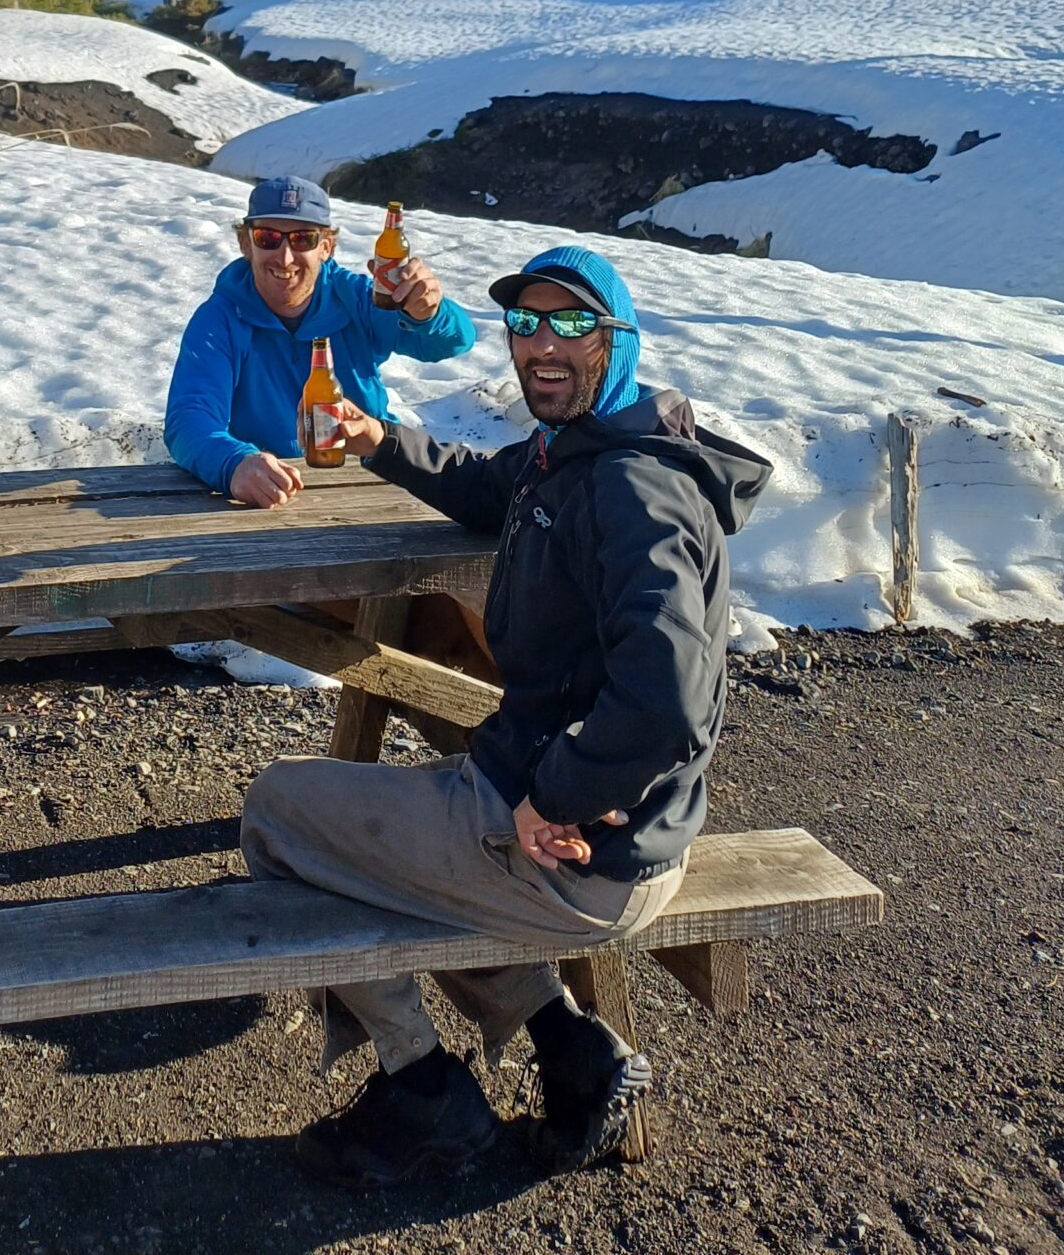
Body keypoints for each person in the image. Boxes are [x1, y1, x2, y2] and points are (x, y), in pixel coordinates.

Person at [239, 242, 771, 1191]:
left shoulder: (633, 490)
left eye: (571, 324)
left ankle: (422, 1088)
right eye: (526, 323)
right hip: (591, 819)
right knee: (372, 838)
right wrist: (378, 438)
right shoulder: (576, 450)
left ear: (619, 340)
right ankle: (573, 1049)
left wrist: (559, 796)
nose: (541, 344)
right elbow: (490, 485)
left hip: (584, 854)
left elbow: (670, 697)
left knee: (283, 816)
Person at [165, 175, 476, 504]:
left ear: (326, 247)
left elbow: (453, 342)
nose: (285, 257)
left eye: (303, 239)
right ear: (246, 243)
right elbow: (189, 416)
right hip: (277, 489)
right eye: (268, 237)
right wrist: (233, 463)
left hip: (374, 479)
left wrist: (429, 312)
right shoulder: (220, 319)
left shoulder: (358, 298)